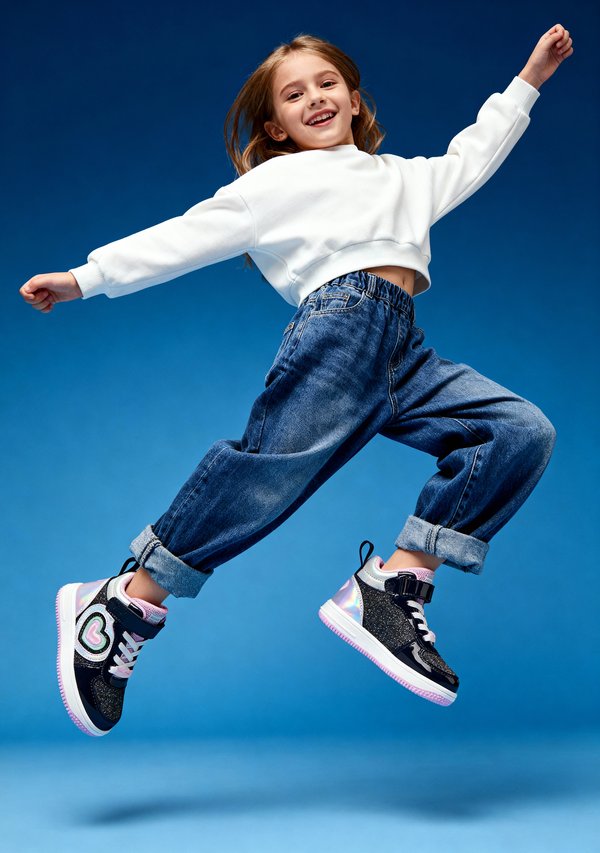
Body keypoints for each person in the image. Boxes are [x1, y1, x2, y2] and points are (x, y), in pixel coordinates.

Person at [21, 25, 573, 736]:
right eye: (292, 94)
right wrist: (83, 278)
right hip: (339, 330)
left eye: (326, 83)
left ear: (353, 99)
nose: (314, 97)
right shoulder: (274, 183)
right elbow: (183, 235)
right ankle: (125, 597)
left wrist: (528, 79)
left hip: (403, 349)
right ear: (275, 127)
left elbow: (475, 152)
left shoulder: (404, 177)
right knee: (269, 472)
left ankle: (393, 583)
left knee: (518, 431)